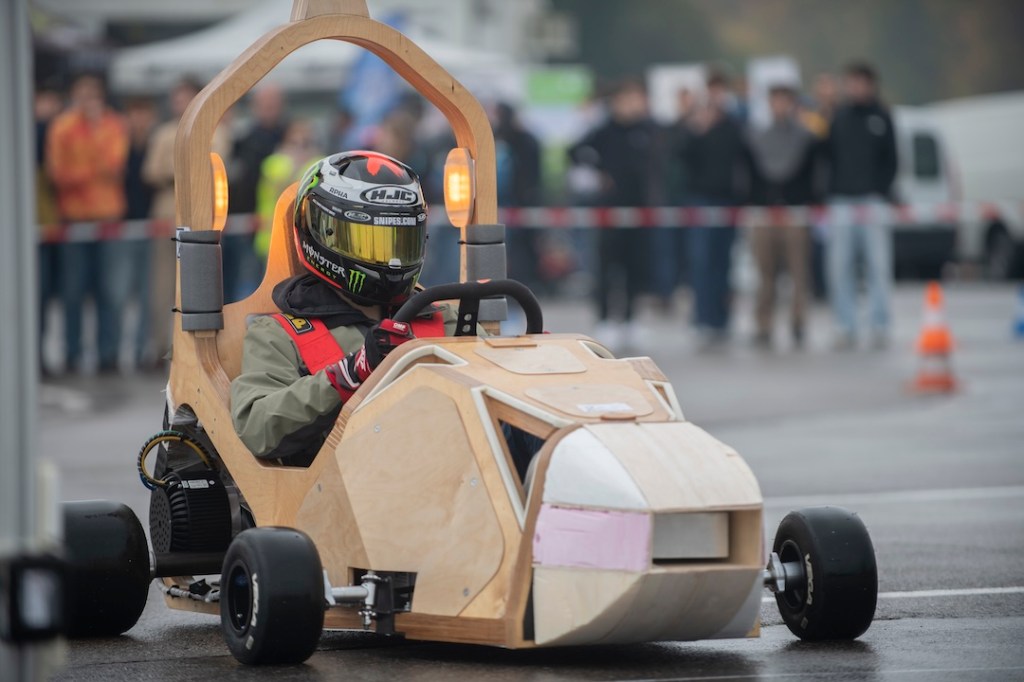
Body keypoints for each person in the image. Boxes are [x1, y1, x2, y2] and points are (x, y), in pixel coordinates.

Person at [231, 151, 458, 466]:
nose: (391, 261)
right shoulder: (278, 335)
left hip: (459, 475)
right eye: (370, 241)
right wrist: (350, 373)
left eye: (399, 242)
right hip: (347, 485)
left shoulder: (445, 319)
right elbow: (257, 427)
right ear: (322, 232)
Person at [143, 77, 231, 369]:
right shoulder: (164, 133)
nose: (179, 103)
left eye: (185, 97)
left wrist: (179, 168)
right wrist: (183, 170)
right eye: (176, 98)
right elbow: (151, 171)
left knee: (203, 284)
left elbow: (214, 164)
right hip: (167, 214)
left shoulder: (214, 130)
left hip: (201, 215)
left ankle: (202, 347)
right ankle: (162, 345)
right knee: (163, 285)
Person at [46, 73, 129, 374]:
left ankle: (109, 354)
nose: (88, 101)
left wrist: (84, 163)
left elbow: (115, 167)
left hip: (108, 217)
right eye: (82, 95)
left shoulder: (113, 124)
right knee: (73, 290)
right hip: (75, 218)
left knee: (110, 290)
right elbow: (58, 174)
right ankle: (72, 354)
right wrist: (93, 171)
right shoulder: (62, 127)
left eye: (92, 95)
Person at [568, 80, 658, 351]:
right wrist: (599, 173)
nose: (633, 105)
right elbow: (574, 152)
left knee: (636, 267)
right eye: (628, 99)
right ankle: (606, 319)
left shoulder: (648, 130)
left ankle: (630, 320)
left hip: (639, 211)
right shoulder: (604, 130)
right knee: (607, 267)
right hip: (609, 211)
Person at [824, 62, 898, 349]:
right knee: (840, 267)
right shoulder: (839, 117)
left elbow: (892, 159)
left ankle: (880, 323)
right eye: (850, 82)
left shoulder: (882, 116)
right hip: (841, 200)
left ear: (870, 84)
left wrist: (881, 190)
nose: (854, 88)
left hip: (872, 200)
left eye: (859, 82)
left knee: (878, 266)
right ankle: (845, 324)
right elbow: (827, 156)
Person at [745, 85, 821, 349]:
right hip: (764, 214)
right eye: (775, 101)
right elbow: (750, 177)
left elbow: (813, 177)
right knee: (765, 274)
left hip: (795, 214)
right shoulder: (758, 137)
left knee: (799, 273)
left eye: (784, 101)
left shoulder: (805, 138)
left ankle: (798, 323)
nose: (779, 106)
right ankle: (763, 325)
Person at [681, 70, 748, 349]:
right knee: (701, 261)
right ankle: (702, 318)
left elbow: (745, 160)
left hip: (727, 201)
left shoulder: (735, 127)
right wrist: (697, 130)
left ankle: (721, 320)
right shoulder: (695, 126)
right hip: (700, 200)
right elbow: (680, 157)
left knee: (723, 263)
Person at [226, 84, 288, 302]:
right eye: (264, 104)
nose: (268, 108)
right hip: (247, 221)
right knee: (244, 281)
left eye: (272, 104)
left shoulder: (289, 136)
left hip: (281, 224)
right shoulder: (244, 140)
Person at [254, 119, 322, 260]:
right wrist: (296, 165)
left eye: (305, 143)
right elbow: (281, 194)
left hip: (308, 242)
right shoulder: (274, 162)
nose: (299, 149)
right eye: (294, 143)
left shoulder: (320, 164)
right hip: (273, 237)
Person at [122, 96, 157, 367]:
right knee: (118, 294)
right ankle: (114, 351)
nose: (139, 121)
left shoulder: (156, 144)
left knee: (149, 293)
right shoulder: (118, 146)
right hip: (119, 226)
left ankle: (142, 349)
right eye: (134, 114)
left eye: (143, 114)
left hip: (151, 225)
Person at [35, 83, 63, 375]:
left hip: (45, 228)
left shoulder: (53, 132)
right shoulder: (35, 133)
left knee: (41, 297)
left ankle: (38, 355)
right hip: (35, 228)